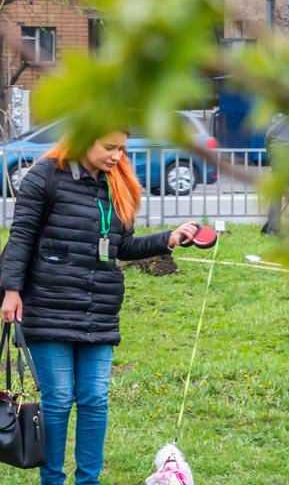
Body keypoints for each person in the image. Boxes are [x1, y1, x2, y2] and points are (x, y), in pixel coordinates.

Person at [0, 129, 200, 485]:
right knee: (58, 400)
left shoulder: (117, 184)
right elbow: (21, 236)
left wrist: (167, 239)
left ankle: (88, 481)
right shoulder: (45, 176)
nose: (117, 156)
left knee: (94, 398)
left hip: (99, 309)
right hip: (48, 305)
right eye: (109, 147)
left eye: (121, 148)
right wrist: (11, 290)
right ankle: (53, 480)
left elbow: (122, 246)